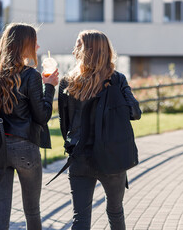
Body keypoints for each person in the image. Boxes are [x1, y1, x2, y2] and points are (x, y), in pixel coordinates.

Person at [0, 22, 59, 230]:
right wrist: (49, 87)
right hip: (25, 149)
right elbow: (42, 116)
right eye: (34, 42)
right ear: (24, 45)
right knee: (32, 212)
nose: (38, 47)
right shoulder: (31, 75)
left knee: (0, 212)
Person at [58, 30, 141, 229]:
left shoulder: (69, 82)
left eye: (78, 45)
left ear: (88, 50)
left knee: (80, 218)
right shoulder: (117, 79)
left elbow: (65, 124)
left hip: (80, 157)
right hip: (112, 158)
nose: (73, 50)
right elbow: (135, 112)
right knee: (115, 212)